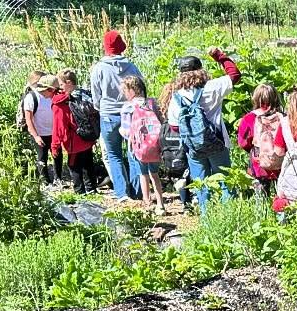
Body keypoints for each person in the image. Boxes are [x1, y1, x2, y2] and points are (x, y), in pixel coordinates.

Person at [165, 57, 237, 211]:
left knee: (201, 184)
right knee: (226, 180)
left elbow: (174, 126)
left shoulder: (176, 97)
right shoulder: (212, 87)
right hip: (217, 142)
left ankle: (207, 219)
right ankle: (229, 214)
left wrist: (194, 134)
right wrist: (219, 55)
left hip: (194, 148)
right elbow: (234, 75)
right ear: (201, 71)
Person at [88, 30, 143, 202]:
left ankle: (121, 193)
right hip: (130, 113)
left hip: (108, 114)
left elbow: (95, 95)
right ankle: (137, 192)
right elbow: (141, 89)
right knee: (133, 153)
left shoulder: (98, 68)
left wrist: (101, 107)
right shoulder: (132, 67)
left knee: (114, 155)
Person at [120, 74, 166, 214]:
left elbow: (127, 131)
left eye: (125, 91)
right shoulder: (152, 103)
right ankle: (160, 204)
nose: (124, 94)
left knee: (143, 175)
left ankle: (147, 203)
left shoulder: (128, 107)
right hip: (154, 145)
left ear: (132, 90)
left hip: (138, 148)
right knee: (155, 174)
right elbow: (161, 121)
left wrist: (121, 130)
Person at [48, 73, 97, 194]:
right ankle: (92, 190)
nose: (60, 87)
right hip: (88, 136)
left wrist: (55, 146)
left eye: (61, 84)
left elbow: (59, 127)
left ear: (68, 83)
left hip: (74, 141)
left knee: (74, 166)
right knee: (88, 163)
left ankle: (80, 192)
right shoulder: (82, 94)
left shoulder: (60, 103)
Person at [236, 83, 285, 197]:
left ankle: (263, 213)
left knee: (261, 196)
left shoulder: (249, 118)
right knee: (283, 195)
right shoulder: (282, 116)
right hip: (281, 161)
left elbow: (243, 142)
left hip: (259, 163)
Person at [21, 70, 63, 184]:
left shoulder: (53, 95)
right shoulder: (31, 97)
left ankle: (58, 179)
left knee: (57, 156)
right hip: (39, 133)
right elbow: (28, 119)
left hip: (54, 132)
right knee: (42, 157)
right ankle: (45, 181)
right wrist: (36, 136)